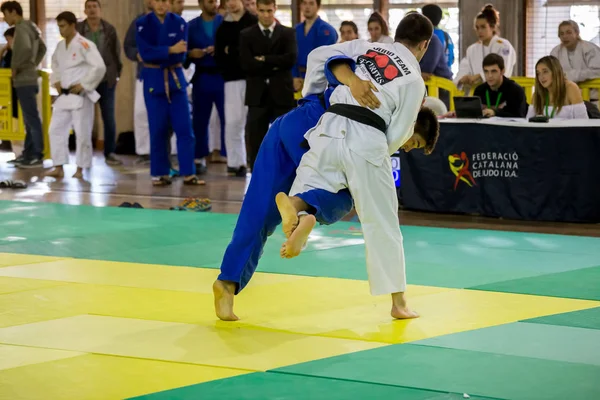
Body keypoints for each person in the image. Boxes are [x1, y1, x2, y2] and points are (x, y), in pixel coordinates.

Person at [213, 59, 439, 321]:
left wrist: (343, 81)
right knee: (344, 196)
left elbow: (326, 59)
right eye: (416, 142)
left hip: (289, 123)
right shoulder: (396, 108)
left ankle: (227, 283)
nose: (409, 148)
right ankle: (301, 213)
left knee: (260, 210)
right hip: (319, 130)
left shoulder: (367, 65)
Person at [277, 13, 440, 320]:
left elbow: (318, 55)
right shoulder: (414, 80)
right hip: (368, 135)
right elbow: (403, 131)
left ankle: (297, 211)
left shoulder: (367, 46)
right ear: (424, 45)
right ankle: (399, 303)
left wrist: (311, 95)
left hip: (331, 123)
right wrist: (378, 153)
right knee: (382, 221)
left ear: (396, 34)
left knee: (312, 183)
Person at [136, 0, 203, 186]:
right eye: (157, 0)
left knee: (185, 129)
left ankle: (188, 172)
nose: (161, 5)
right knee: (157, 129)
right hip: (153, 80)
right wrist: (169, 49)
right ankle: (160, 172)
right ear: (151, 2)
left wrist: (161, 52)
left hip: (175, 80)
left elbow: (180, 55)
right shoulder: (142, 23)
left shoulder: (179, 22)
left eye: (165, 1)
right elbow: (144, 53)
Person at [45, 11, 106, 179]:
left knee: (82, 133)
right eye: (58, 27)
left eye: (63, 26)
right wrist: (56, 81)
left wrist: (84, 84)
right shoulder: (60, 46)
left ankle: (80, 168)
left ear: (73, 25)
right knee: (55, 130)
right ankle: (58, 166)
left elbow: (99, 67)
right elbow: (55, 65)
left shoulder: (84, 44)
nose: (60, 30)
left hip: (80, 96)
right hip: (64, 96)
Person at [240, 0, 297, 170]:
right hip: (257, 94)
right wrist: (276, 62)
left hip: (282, 93)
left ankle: (289, 173)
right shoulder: (246, 34)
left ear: (275, 10)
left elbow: (290, 59)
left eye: (269, 11)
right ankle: (258, 175)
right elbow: (246, 64)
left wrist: (263, 59)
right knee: (256, 138)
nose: (266, 15)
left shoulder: (287, 33)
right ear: (256, 10)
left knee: (286, 136)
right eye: (262, 11)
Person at [77, 0, 123, 166]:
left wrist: (116, 74)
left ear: (100, 10)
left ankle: (109, 152)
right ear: (85, 10)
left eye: (94, 7)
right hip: (85, 80)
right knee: (84, 118)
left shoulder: (109, 29)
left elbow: (116, 53)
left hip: (105, 79)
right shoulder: (79, 29)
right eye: (88, 7)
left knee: (108, 117)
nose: (92, 10)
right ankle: (84, 154)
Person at [215, 0, 258, 177]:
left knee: (256, 123)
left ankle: (256, 163)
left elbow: (254, 50)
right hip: (232, 79)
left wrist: (231, 50)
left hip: (254, 78)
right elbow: (219, 55)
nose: (231, 3)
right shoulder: (223, 27)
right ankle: (235, 162)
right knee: (233, 122)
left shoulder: (253, 22)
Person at [1, 0, 46, 168]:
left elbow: (26, 49)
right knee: (29, 119)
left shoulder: (21, 28)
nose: (4, 19)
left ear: (13, 12)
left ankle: (37, 155)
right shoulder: (32, 26)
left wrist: (16, 67)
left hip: (24, 80)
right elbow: (42, 48)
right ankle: (27, 154)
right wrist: (33, 64)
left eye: (5, 14)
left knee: (32, 118)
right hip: (29, 77)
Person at [186, 0, 225, 174]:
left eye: (215, 1)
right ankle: (199, 156)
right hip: (202, 76)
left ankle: (230, 156)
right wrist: (190, 54)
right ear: (201, 3)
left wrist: (221, 51)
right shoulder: (191, 26)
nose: (213, 4)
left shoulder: (225, 23)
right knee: (200, 120)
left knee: (228, 118)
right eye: (209, 1)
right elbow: (184, 56)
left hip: (222, 76)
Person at [454, 4, 515, 93]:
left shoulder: (504, 46)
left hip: (501, 92)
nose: (479, 31)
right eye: (477, 28)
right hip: (480, 93)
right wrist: (462, 78)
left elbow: (504, 71)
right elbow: (464, 68)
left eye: (483, 27)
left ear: (493, 27)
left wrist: (480, 76)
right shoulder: (472, 49)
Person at [124, 0, 153, 165]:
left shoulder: (169, 21)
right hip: (143, 74)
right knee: (141, 113)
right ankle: (143, 151)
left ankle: (169, 152)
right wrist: (137, 55)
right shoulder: (138, 22)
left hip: (164, 73)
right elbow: (128, 46)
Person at [292, 0, 337, 94]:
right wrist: (294, 76)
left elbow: (324, 59)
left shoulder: (327, 31)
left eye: (311, 3)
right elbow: (291, 54)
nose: (307, 7)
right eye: (304, 3)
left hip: (318, 80)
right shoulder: (295, 30)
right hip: (297, 80)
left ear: (318, 6)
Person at [550, 20, 600, 102]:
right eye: (562, 34)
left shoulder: (590, 49)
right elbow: (552, 73)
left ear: (577, 33)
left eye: (569, 32)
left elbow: (597, 71)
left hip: (592, 98)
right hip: (566, 98)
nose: (565, 36)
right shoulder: (556, 52)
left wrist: (573, 76)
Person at [526, 55, 588, 120]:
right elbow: (528, 122)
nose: (541, 77)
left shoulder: (570, 88)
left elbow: (583, 122)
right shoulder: (537, 95)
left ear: (555, 72)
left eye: (545, 72)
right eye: (538, 73)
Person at [473, 53, 527, 118]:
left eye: (494, 71)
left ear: (502, 71)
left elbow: (519, 115)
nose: (489, 76)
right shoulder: (479, 90)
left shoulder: (515, 91)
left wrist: (495, 112)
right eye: (486, 71)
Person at [422, 3, 454, 68]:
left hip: (432, 76)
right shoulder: (446, 36)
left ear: (426, 18)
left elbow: (429, 63)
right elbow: (452, 59)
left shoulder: (429, 36)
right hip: (446, 75)